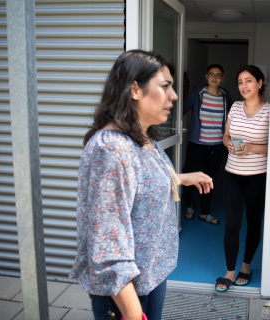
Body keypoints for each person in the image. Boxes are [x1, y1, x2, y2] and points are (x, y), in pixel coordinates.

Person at [69, 50, 214, 320]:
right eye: (165, 86)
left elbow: (143, 182)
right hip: (127, 291)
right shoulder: (111, 149)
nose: (174, 96)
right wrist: (134, 314)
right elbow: (107, 244)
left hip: (151, 273)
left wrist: (183, 178)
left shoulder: (142, 138)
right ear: (135, 89)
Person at [215, 65, 270, 292]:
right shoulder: (235, 107)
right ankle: (229, 270)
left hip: (257, 177)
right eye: (240, 82)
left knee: (254, 223)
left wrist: (251, 148)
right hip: (232, 175)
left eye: (248, 81)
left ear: (259, 83)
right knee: (232, 225)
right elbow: (226, 135)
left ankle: (246, 266)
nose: (243, 86)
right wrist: (229, 143)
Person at [182, 64, 234, 225]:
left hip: (217, 146)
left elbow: (234, 116)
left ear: (222, 78)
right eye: (211, 74)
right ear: (206, 76)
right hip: (197, 144)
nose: (214, 78)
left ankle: (205, 212)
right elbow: (180, 110)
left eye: (218, 75)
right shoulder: (197, 93)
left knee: (209, 180)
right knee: (189, 177)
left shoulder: (225, 96)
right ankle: (189, 205)